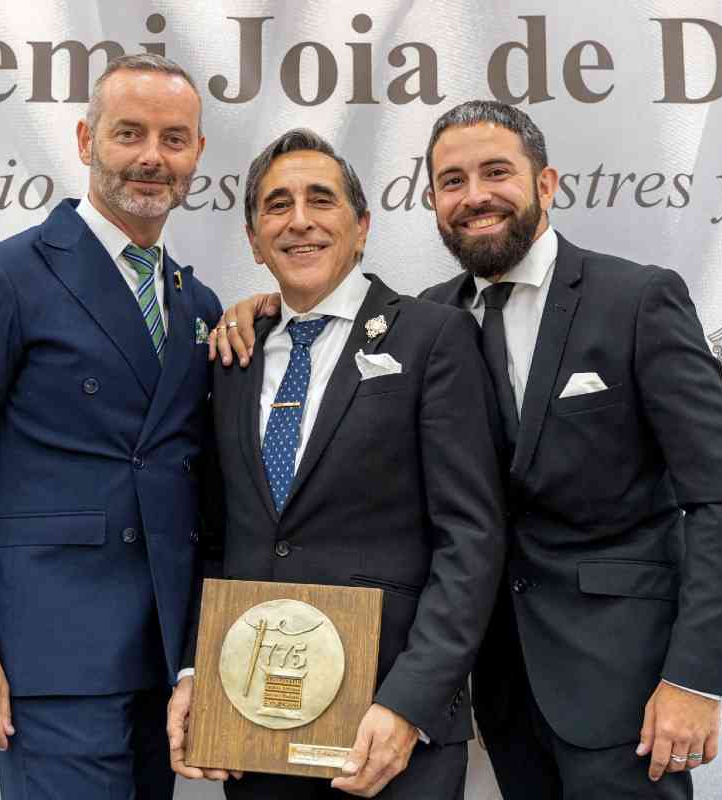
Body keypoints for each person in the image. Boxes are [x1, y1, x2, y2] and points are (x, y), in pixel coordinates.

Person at [212, 101, 722, 799]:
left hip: (627, 681)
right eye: (452, 182)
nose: (474, 197)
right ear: (432, 202)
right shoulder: (429, 320)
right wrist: (261, 311)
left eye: (496, 173)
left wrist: (694, 677)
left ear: (546, 184)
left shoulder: (636, 300)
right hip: (501, 685)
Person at [0, 54, 224, 799]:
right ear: (86, 140)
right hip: (48, 659)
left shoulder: (200, 304)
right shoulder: (2, 275)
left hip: (162, 662)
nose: (152, 156)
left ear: (198, 153)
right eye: (129, 133)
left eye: (174, 138)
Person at [168, 129, 506, 799]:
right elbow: (216, 539)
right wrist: (195, 671)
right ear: (254, 240)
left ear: (362, 228)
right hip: (254, 724)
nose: (299, 221)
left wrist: (410, 701)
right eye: (277, 206)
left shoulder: (433, 337)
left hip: (389, 732)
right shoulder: (231, 357)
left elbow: (470, 538)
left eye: (321, 200)